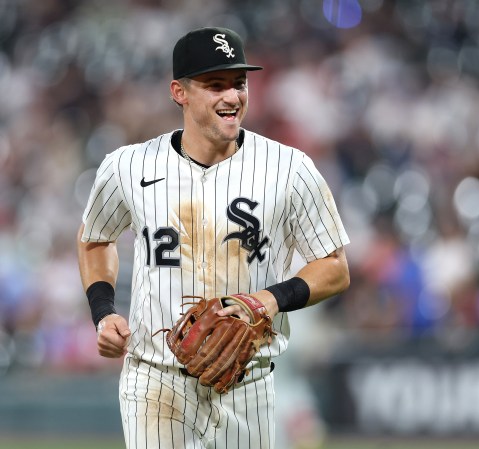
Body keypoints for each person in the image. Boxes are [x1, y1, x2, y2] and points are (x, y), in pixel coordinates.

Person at [76, 26, 350, 449]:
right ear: (179, 92)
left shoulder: (290, 168)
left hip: (249, 382)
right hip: (156, 379)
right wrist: (103, 309)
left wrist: (267, 300)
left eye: (239, 83)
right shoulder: (126, 166)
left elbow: (334, 268)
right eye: (214, 85)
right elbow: (95, 238)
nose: (232, 96)